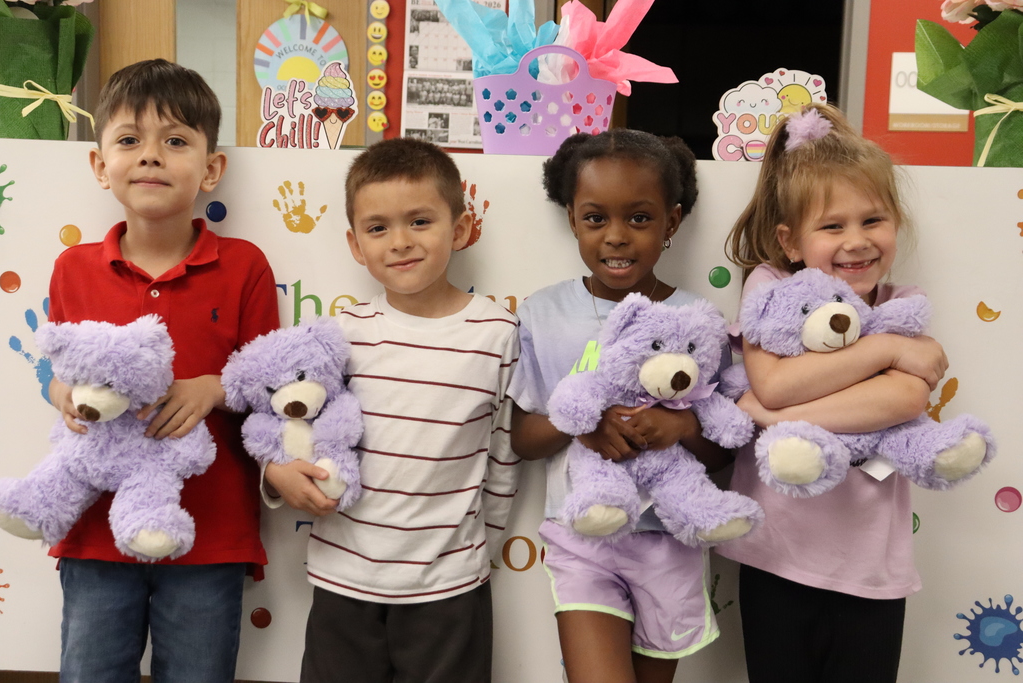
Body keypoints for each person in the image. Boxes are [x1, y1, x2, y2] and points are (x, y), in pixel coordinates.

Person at [46, 59, 280, 682]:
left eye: (175, 141)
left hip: (211, 530)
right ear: (100, 166)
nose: (150, 156)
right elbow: (60, 375)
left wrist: (212, 387)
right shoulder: (73, 269)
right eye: (129, 141)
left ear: (211, 169)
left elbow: (275, 385)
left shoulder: (245, 266)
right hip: (95, 528)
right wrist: (61, 393)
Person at [264, 137, 520, 683]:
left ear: (460, 228)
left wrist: (480, 549)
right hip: (343, 582)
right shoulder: (342, 336)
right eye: (378, 228)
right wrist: (273, 472)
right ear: (356, 246)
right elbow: (290, 428)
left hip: (450, 588)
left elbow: (502, 451)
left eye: (420, 221)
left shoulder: (498, 332)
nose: (400, 242)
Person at [719, 103, 950, 683]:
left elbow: (902, 403)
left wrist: (770, 415)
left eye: (873, 220)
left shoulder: (901, 302)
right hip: (776, 554)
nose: (857, 242)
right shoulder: (771, 287)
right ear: (790, 241)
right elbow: (772, 380)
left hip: (872, 568)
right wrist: (887, 352)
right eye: (832, 226)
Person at [509, 130, 734, 683]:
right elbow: (523, 438)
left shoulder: (697, 321)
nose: (616, 237)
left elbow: (723, 448)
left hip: (671, 544)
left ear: (672, 222)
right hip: (582, 536)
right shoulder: (545, 312)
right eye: (595, 219)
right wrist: (582, 424)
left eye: (639, 218)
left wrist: (680, 424)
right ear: (572, 220)